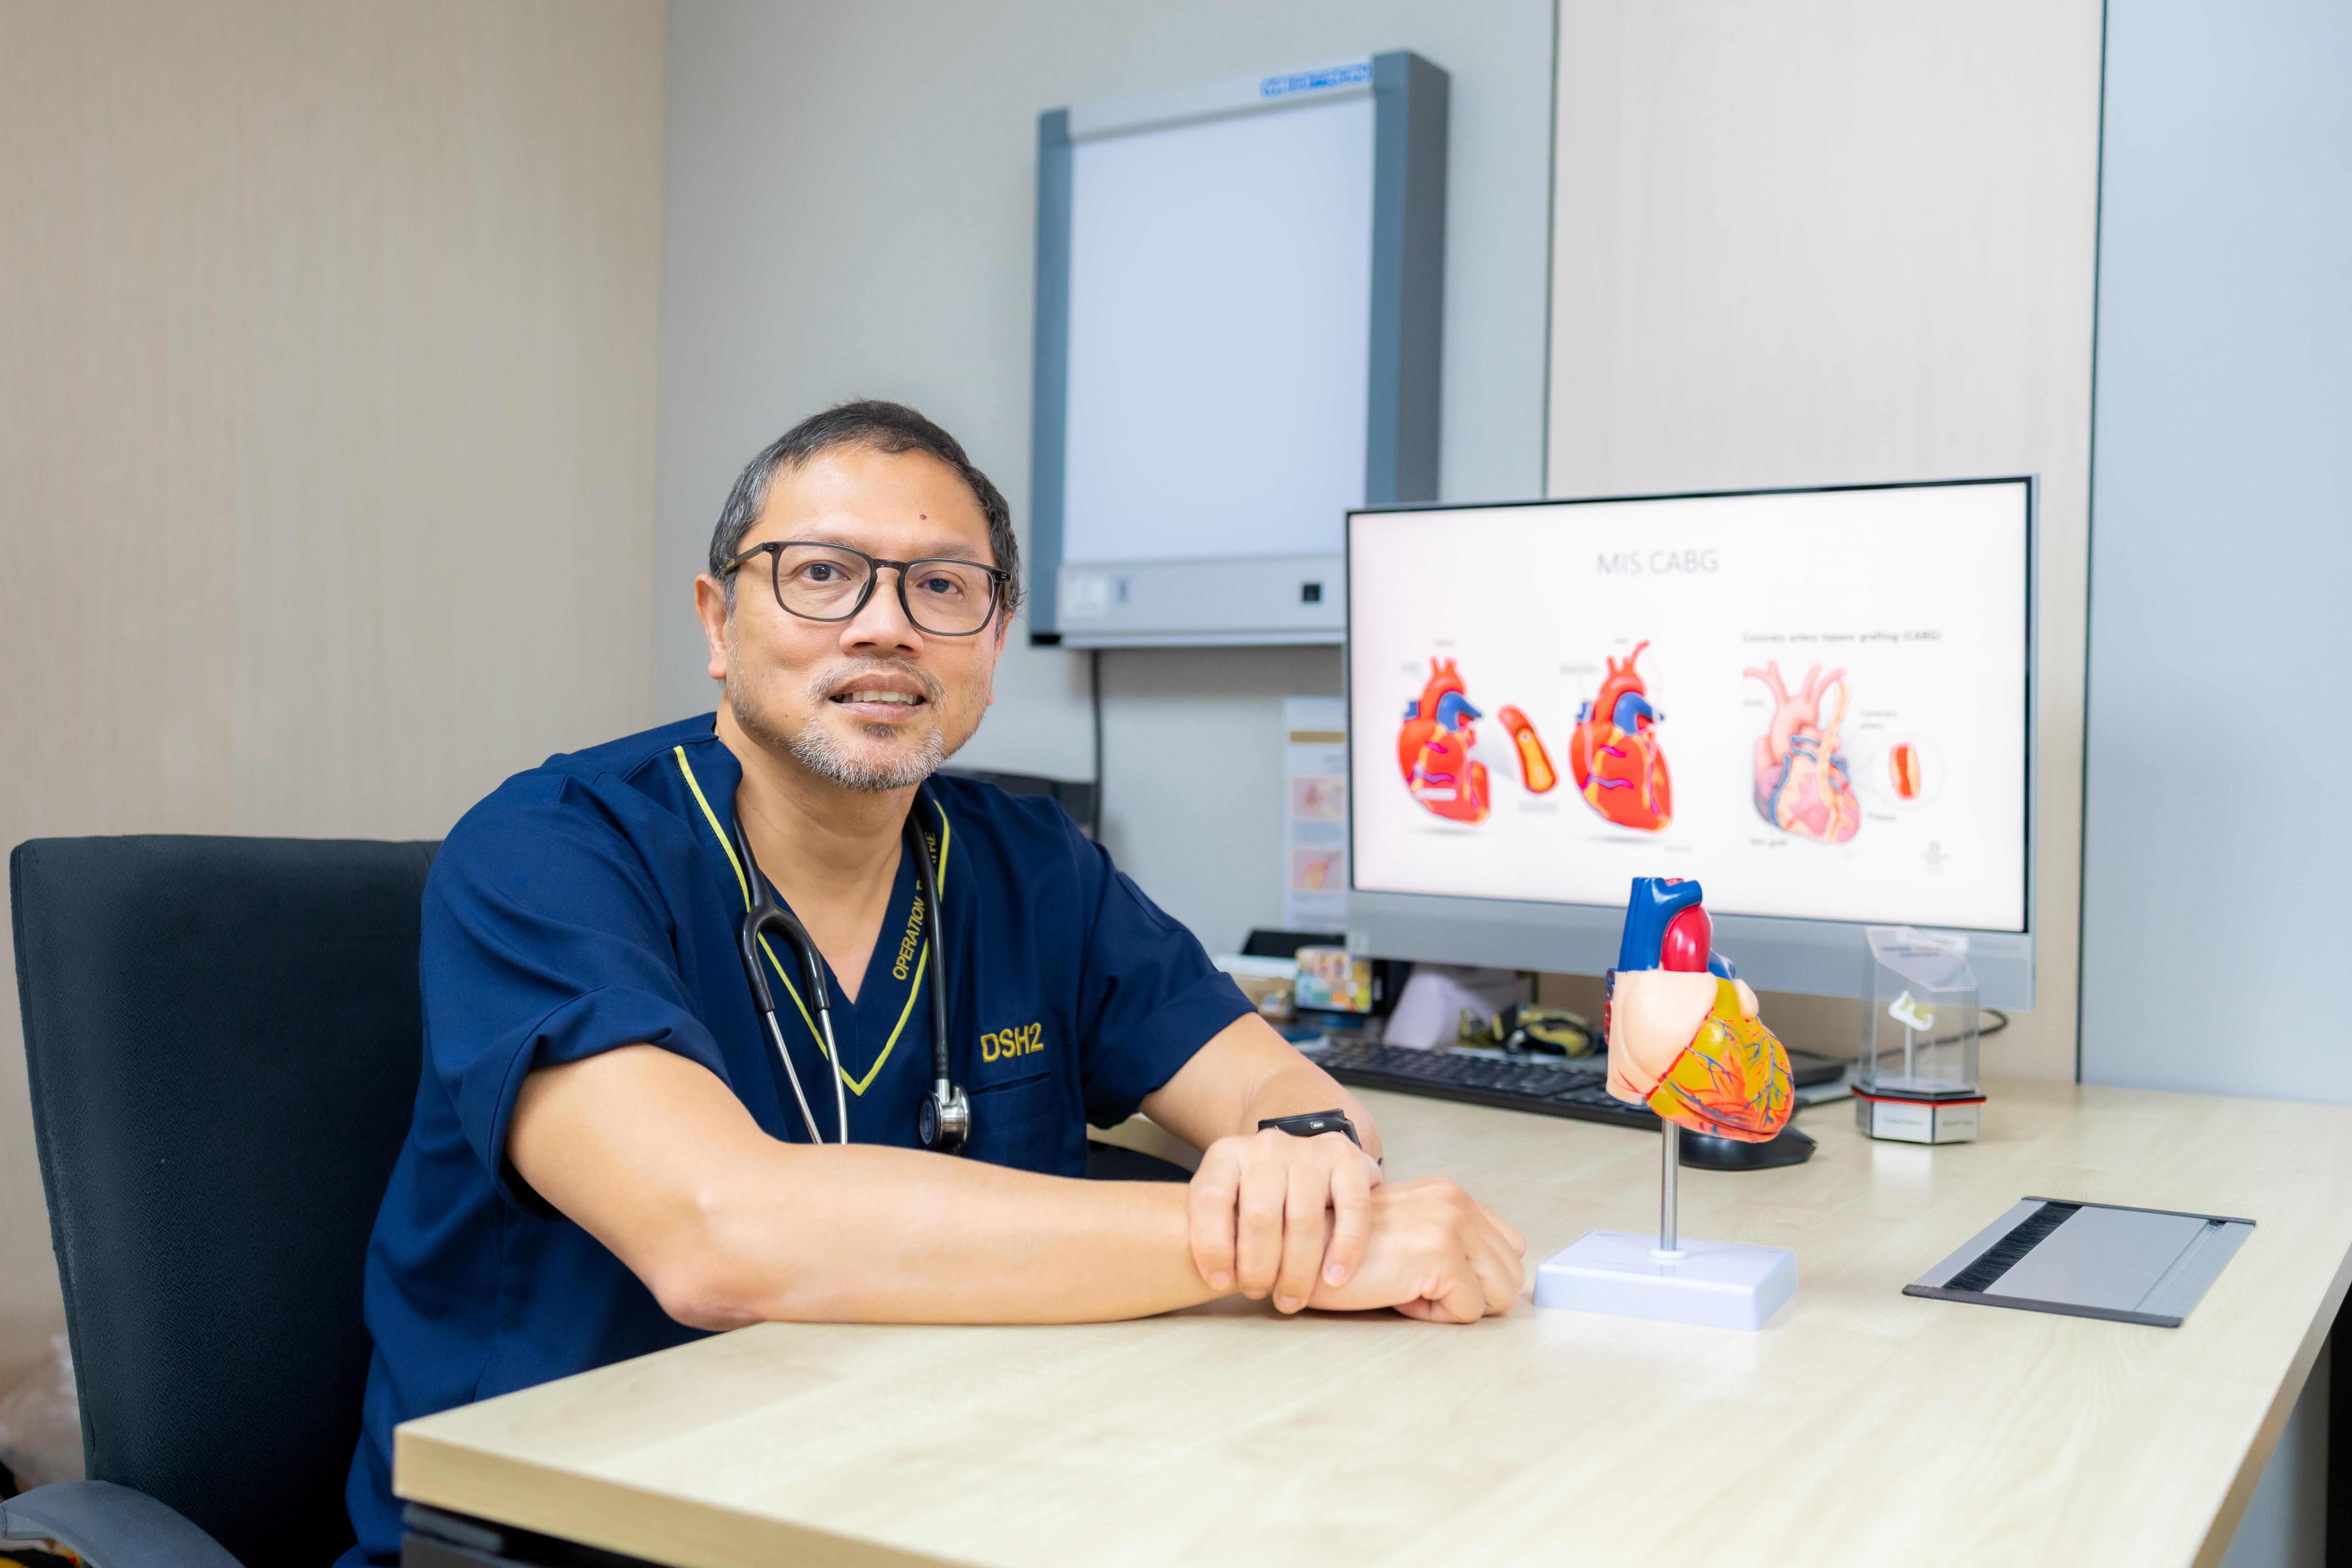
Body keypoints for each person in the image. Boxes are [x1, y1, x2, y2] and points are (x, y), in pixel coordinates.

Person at [339, 400, 1525, 1562]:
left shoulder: (1029, 865)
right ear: (717, 620)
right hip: (571, 1531)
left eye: (942, 587)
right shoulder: (549, 851)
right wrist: (1253, 1246)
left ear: (992, 644)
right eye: (819, 575)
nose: (883, 626)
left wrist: (1312, 1166)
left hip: (930, 1489)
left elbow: (1266, 1079)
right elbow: (718, 1236)